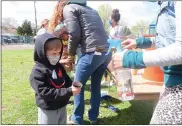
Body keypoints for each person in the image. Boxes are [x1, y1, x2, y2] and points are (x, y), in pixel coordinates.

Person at [112, 1, 182, 124]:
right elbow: (169, 38)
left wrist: (133, 59)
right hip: (172, 82)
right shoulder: (166, 4)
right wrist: (141, 42)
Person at [49, 0, 112, 124]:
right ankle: (93, 117)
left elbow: (74, 34)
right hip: (103, 52)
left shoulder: (69, 8)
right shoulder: (92, 10)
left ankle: (77, 119)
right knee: (95, 86)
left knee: (77, 86)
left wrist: (71, 55)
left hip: (91, 53)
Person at [29, 33, 81, 125]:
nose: (57, 56)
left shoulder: (58, 66)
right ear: (42, 52)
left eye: (59, 53)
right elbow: (45, 93)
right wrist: (68, 91)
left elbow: (66, 79)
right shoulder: (37, 72)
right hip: (48, 109)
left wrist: (73, 85)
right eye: (54, 53)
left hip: (61, 105)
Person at [102, 9, 124, 86]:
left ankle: (114, 80)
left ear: (113, 19)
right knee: (107, 63)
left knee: (115, 65)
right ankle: (107, 79)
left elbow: (120, 40)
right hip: (110, 48)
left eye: (110, 18)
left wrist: (113, 38)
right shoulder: (111, 28)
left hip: (117, 49)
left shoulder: (120, 28)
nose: (109, 20)